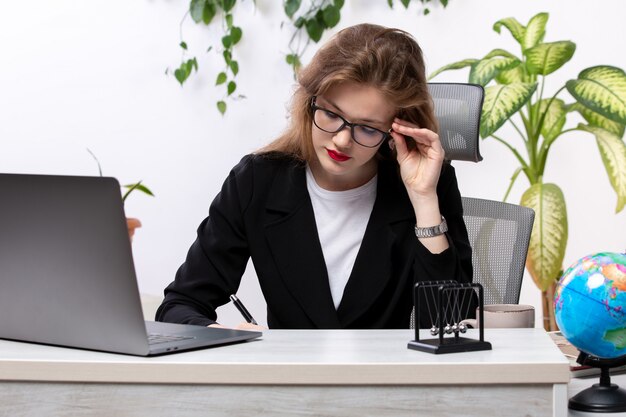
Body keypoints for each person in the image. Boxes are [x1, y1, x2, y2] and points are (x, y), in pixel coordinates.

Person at [156, 23, 473, 330]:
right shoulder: (257, 180)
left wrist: (423, 201)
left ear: (396, 129)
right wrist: (217, 333)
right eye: (332, 115)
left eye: (367, 128)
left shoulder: (427, 184)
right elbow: (180, 305)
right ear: (309, 103)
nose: (342, 140)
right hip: (289, 379)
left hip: (385, 380)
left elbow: (452, 326)